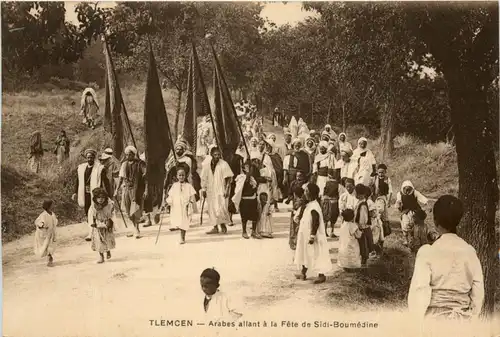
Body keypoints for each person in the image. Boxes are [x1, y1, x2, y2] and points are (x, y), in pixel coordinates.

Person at [408, 195, 484, 321]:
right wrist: (472, 317)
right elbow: (478, 291)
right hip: (463, 322)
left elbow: (419, 291)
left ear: (435, 221)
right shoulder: (469, 252)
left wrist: (418, 322)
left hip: (434, 322)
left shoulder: (427, 252)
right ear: (458, 221)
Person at [293, 183, 332, 284]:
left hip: (314, 236)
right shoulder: (308, 204)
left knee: (317, 253)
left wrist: (312, 235)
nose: (304, 193)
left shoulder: (314, 206)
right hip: (305, 234)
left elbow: (316, 222)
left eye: (306, 191)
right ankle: (303, 272)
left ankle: (321, 275)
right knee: (305, 252)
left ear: (311, 193)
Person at [72, 149, 111, 241]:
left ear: (94, 158)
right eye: (88, 157)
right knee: (88, 212)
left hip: (96, 194)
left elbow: (106, 181)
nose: (90, 159)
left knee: (95, 212)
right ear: (86, 158)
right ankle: (91, 232)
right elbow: (78, 181)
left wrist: (109, 194)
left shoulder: (100, 168)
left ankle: (94, 232)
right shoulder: (81, 168)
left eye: (92, 157)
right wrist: (75, 192)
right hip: (85, 194)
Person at [114, 145, 148, 239]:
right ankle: (134, 227)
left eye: (130, 154)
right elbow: (121, 178)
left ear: (134, 154)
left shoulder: (140, 163)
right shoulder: (124, 164)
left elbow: (146, 178)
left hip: (137, 190)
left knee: (135, 211)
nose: (128, 156)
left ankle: (137, 229)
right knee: (128, 212)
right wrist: (116, 190)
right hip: (126, 189)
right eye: (127, 154)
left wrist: (146, 190)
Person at [201, 146, 234, 235]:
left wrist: (227, 189)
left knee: (221, 208)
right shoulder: (207, 165)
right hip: (210, 190)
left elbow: (229, 177)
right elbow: (204, 178)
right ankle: (215, 227)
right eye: (215, 154)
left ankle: (223, 225)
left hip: (220, 189)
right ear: (211, 155)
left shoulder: (224, 164)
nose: (217, 156)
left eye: (218, 154)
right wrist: (203, 189)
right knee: (212, 209)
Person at [165, 166, 197, 244]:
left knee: (184, 222)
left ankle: (182, 237)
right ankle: (180, 231)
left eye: (183, 175)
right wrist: (168, 202)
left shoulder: (188, 186)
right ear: (177, 176)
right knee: (178, 221)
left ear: (185, 176)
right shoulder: (174, 185)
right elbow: (171, 196)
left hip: (185, 206)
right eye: (180, 175)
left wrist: (191, 204)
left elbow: (192, 196)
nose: (181, 177)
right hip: (176, 207)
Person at [395, 180, 429, 248]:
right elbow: (398, 203)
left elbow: (422, 198)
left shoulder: (414, 192)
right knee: (405, 225)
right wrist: (398, 205)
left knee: (415, 225)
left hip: (414, 211)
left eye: (409, 189)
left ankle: (416, 239)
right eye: (406, 189)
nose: (407, 191)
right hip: (405, 212)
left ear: (411, 188)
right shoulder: (399, 194)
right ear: (403, 188)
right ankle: (406, 239)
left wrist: (425, 203)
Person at [232, 160, 259, 239]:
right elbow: (241, 187)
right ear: (243, 169)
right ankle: (244, 231)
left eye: (249, 167)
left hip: (252, 199)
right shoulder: (240, 178)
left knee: (255, 216)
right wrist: (247, 174)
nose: (249, 169)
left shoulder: (252, 178)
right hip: (244, 200)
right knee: (244, 217)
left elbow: (254, 187)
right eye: (247, 167)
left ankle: (254, 231)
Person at [88, 188, 115, 264]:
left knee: (107, 239)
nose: (101, 199)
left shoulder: (109, 205)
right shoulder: (93, 206)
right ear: (95, 198)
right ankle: (101, 256)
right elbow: (91, 215)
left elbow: (112, 214)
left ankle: (108, 251)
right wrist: (93, 223)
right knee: (99, 241)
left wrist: (110, 222)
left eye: (103, 198)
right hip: (97, 225)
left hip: (106, 224)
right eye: (99, 198)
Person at [353, 184, 374, 267]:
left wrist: (360, 226)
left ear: (359, 194)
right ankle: (362, 259)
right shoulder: (360, 202)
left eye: (355, 192)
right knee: (361, 244)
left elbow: (363, 217)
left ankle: (364, 261)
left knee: (363, 244)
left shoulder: (363, 205)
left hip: (363, 228)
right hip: (361, 227)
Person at [34, 200, 57, 267]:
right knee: (46, 246)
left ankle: (50, 258)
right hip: (45, 234)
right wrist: (42, 225)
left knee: (51, 245)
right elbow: (37, 222)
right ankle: (49, 259)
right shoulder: (43, 215)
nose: (53, 206)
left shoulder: (52, 214)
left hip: (51, 233)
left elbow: (55, 221)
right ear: (48, 206)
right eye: (52, 205)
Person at [287, 180, 306, 250]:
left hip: (296, 217)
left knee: (295, 230)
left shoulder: (299, 201)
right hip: (297, 217)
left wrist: (292, 210)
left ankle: (295, 243)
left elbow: (299, 211)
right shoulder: (301, 200)